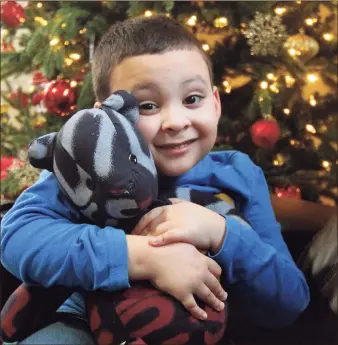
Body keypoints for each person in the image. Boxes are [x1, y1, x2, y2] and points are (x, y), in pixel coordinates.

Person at [1, 15, 310, 344]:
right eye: (147, 105)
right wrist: (141, 257)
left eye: (192, 99)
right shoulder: (85, 168)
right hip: (85, 320)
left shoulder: (238, 173)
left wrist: (221, 233)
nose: (176, 121)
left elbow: (290, 302)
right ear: (108, 116)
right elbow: (17, 237)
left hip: (204, 328)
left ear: (216, 103)